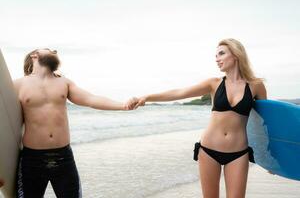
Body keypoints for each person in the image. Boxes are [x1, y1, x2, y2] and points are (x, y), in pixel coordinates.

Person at [134, 38, 267, 198]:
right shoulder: (214, 83)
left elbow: (264, 123)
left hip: (239, 153)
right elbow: (180, 93)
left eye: (221, 53)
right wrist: (147, 97)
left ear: (236, 55)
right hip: (208, 151)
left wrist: (271, 159)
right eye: (216, 55)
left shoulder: (256, 85)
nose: (217, 59)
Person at [13, 48, 138, 198]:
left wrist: (123, 106)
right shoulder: (17, 85)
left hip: (63, 157)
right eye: (49, 50)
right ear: (34, 55)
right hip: (32, 159)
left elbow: (91, 100)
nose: (54, 50)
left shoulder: (64, 83)